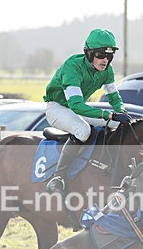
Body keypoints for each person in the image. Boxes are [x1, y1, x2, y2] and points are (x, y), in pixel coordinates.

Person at [43, 28, 131, 194]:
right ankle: (58, 177)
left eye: (109, 56)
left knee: (118, 124)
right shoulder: (72, 66)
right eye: (100, 55)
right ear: (89, 54)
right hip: (57, 108)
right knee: (83, 131)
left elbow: (114, 97)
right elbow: (76, 105)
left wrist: (121, 111)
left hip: (76, 109)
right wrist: (109, 114)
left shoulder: (107, 71)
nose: (105, 60)